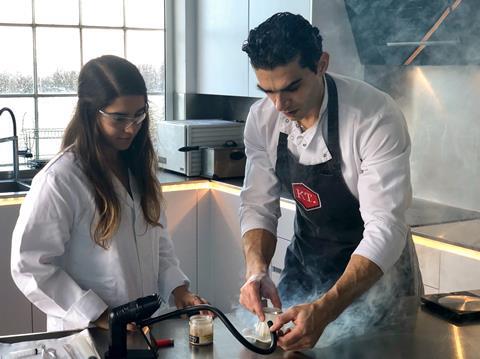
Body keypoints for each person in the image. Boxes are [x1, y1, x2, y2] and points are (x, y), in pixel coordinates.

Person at [238, 13, 422, 350]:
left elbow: (385, 227)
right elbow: (257, 206)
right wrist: (257, 270)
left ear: (321, 64)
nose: (279, 105)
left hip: (376, 280)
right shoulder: (262, 119)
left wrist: (326, 307)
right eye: (267, 91)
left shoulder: (373, 116)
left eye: (292, 87)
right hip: (307, 265)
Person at [11, 55, 207, 331]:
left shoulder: (139, 169)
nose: (131, 127)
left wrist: (179, 291)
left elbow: (157, 240)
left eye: (139, 114)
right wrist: (100, 315)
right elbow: (31, 266)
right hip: (86, 333)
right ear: (91, 113)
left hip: (140, 329)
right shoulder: (60, 179)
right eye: (119, 118)